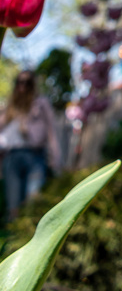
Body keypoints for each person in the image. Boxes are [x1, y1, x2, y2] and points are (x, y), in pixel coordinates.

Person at [0, 71, 61, 219]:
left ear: (32, 85)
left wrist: (56, 157)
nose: (23, 86)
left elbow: (51, 131)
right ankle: (13, 238)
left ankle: (28, 234)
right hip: (12, 157)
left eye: (27, 83)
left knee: (32, 202)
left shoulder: (40, 104)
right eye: (19, 82)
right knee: (13, 205)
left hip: (35, 157)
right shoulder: (10, 108)